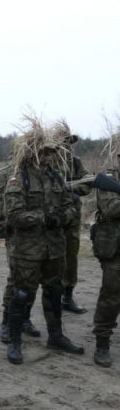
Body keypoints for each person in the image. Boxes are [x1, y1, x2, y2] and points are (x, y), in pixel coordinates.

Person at [3, 120, 83, 364]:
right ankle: (15, 342)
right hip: (28, 251)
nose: (49, 157)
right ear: (33, 153)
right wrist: (43, 217)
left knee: (54, 292)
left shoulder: (56, 177)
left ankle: (56, 335)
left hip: (54, 249)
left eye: (51, 153)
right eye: (45, 153)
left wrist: (61, 216)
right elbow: (14, 216)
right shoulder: (19, 179)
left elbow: (71, 206)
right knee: (21, 294)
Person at [0, 162, 41, 342]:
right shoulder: (7, 172)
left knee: (33, 279)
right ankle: (7, 321)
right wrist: (4, 230)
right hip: (16, 234)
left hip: (39, 236)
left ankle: (24, 318)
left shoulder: (44, 171)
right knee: (16, 277)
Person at [53, 120, 92, 314]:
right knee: (49, 260)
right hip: (51, 218)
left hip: (72, 218)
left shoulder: (75, 162)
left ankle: (67, 297)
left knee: (71, 257)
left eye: (68, 142)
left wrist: (71, 189)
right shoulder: (46, 162)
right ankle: (51, 298)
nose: (65, 146)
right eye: (62, 141)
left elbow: (87, 183)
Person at [91, 133, 120, 367]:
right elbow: (111, 208)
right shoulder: (109, 178)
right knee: (111, 296)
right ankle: (102, 341)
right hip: (115, 247)